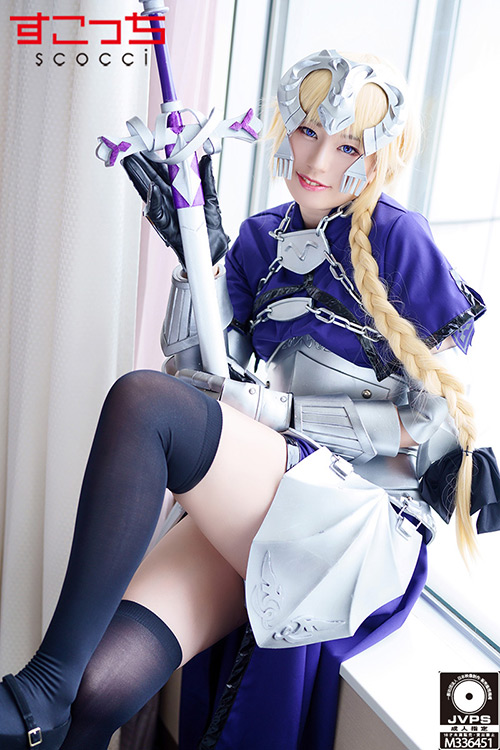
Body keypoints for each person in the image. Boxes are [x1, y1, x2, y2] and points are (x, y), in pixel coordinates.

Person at [0, 49, 485, 750]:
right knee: (102, 684)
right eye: (308, 131)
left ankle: (37, 690)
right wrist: (195, 263)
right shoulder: (261, 238)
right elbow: (199, 379)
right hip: (277, 491)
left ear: (377, 157)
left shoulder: (398, 237)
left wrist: (271, 414)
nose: (317, 159)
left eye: (347, 145)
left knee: (142, 402)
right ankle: (52, 704)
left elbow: (429, 420)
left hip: (356, 515)